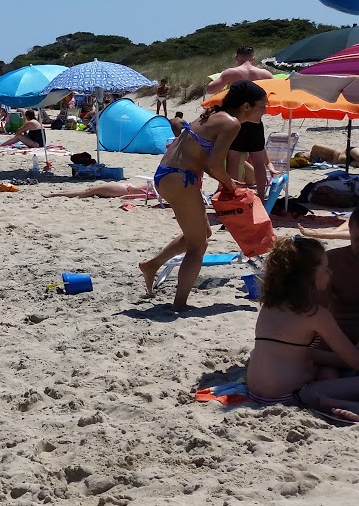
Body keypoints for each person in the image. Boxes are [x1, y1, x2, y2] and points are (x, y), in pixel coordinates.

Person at [139, 80, 268, 311]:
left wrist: (229, 182)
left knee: (201, 233)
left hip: (168, 175)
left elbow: (207, 161)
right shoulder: (231, 123)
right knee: (198, 246)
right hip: (181, 178)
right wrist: (231, 185)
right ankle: (179, 305)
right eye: (262, 105)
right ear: (247, 106)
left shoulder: (212, 116)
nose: (265, 110)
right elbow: (217, 166)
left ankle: (152, 264)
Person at [243, 236, 359, 422]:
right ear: (308, 276)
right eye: (325, 269)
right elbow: (355, 361)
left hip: (256, 392)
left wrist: (336, 361)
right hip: (291, 397)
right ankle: (344, 405)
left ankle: (333, 399)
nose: (330, 272)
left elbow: (301, 353)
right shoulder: (315, 315)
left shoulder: (270, 305)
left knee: (327, 371)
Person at [297, 213, 359, 342]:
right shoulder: (332, 262)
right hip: (339, 332)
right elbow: (313, 311)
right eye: (358, 239)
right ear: (349, 230)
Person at [205, 46, 275, 96]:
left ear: (236, 58)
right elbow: (274, 91)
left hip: (235, 109)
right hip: (254, 111)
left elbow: (210, 90)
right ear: (253, 58)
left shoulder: (230, 73)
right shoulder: (265, 74)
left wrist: (211, 81)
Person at [48, 179, 156, 199]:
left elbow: (145, 195)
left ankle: (57, 194)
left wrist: (126, 196)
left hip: (123, 188)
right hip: (123, 189)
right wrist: (126, 197)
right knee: (87, 191)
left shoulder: (159, 187)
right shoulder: (159, 188)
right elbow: (146, 195)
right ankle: (57, 193)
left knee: (87, 192)